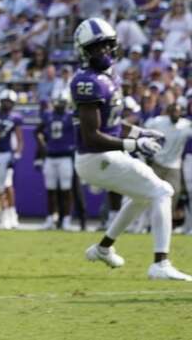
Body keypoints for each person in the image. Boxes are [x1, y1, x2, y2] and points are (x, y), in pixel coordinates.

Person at [71, 18, 191, 281]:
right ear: (84, 51)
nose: (102, 52)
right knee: (163, 191)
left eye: (106, 46)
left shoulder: (108, 78)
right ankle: (161, 263)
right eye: (95, 48)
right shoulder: (87, 81)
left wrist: (140, 132)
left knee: (142, 196)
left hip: (103, 155)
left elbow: (112, 124)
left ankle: (103, 248)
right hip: (95, 157)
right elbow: (92, 136)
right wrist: (135, 145)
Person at [142, 100, 192, 238]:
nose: (176, 114)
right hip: (157, 162)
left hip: (174, 165)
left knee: (173, 193)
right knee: (151, 193)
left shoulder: (186, 125)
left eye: (178, 112)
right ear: (168, 113)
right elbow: (144, 129)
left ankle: (164, 223)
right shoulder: (158, 121)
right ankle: (148, 224)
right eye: (173, 111)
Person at [37, 94, 78, 230]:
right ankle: (50, 218)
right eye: (57, 102)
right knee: (50, 190)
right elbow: (38, 131)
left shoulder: (71, 116)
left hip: (66, 157)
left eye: (62, 102)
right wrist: (42, 143)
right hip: (50, 156)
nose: (59, 105)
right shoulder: (48, 115)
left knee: (66, 190)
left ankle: (66, 220)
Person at [0, 90, 23, 229]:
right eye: (5, 101)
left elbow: (20, 139)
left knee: (6, 185)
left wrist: (16, 155)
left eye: (10, 102)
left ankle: (11, 213)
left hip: (5, 153)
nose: (7, 104)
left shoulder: (15, 117)